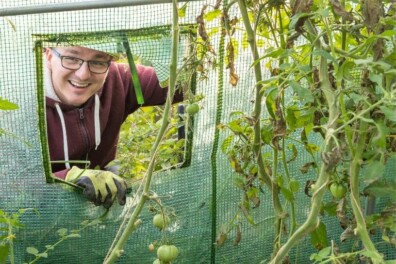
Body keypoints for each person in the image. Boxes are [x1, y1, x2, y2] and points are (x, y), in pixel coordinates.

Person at [44, 45, 182, 209]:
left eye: (98, 61)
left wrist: (167, 47)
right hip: (39, 217)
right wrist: (66, 177)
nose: (83, 74)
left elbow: (183, 83)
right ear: (49, 55)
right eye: (71, 59)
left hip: (97, 212)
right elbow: (10, 186)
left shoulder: (118, 80)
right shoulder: (20, 104)